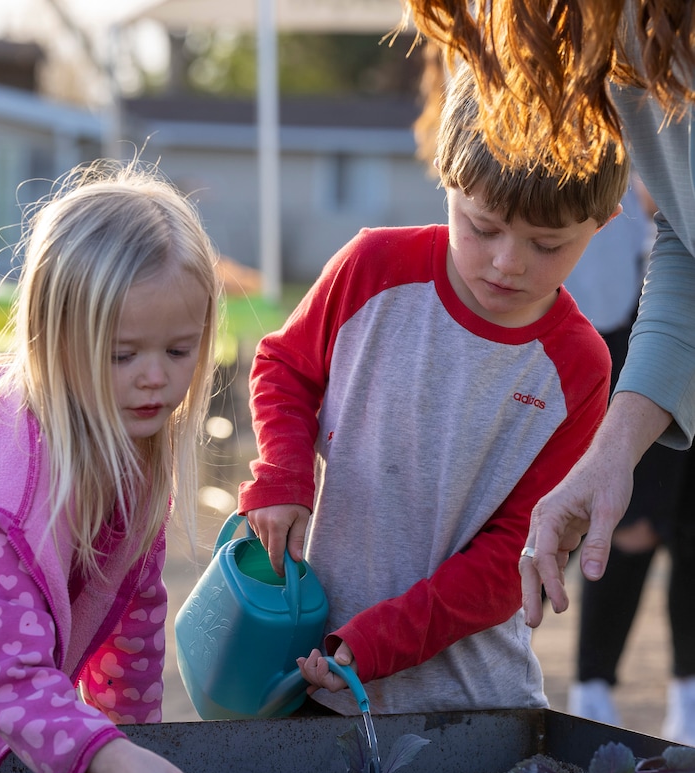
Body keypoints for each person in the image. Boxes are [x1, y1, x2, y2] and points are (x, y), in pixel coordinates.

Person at [237, 64, 627, 715]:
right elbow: (284, 366)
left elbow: (514, 557)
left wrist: (375, 642)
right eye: (483, 226)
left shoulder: (578, 365)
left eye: (547, 243)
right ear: (446, 177)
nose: (508, 261)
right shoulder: (370, 269)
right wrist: (282, 474)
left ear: (603, 223)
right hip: (314, 669)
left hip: (472, 704)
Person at [404, 1, 695, 631]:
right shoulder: (622, 44)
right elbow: (690, 236)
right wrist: (612, 454)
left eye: (546, 244)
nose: (507, 265)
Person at [0, 159, 218, 773]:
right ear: (54, 342)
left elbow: (135, 619)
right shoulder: (9, 491)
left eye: (180, 350)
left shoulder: (131, 453)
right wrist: (114, 760)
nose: (156, 377)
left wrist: (135, 756)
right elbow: (10, 672)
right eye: (123, 355)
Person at [563, 179, 695, 737]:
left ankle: (687, 695)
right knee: (628, 532)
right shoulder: (618, 230)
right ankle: (592, 687)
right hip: (631, 388)